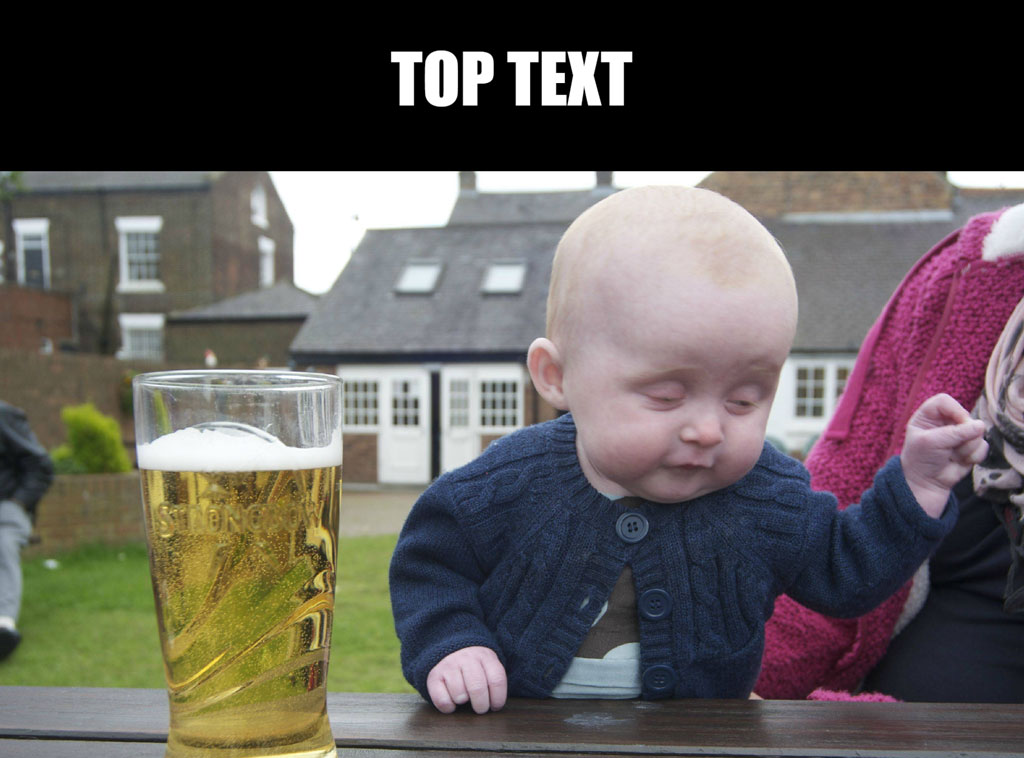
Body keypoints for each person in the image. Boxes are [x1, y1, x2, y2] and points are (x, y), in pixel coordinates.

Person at [389, 186, 988, 713]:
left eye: (744, 400)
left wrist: (918, 489)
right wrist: (452, 642)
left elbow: (847, 573)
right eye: (667, 394)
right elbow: (431, 561)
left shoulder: (766, 497)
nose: (708, 429)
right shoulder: (511, 480)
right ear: (556, 376)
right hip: (512, 756)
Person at [757, 202, 1024, 702]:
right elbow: (835, 557)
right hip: (909, 750)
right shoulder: (970, 273)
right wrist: (734, 698)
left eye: (744, 399)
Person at [0, 400, 55, 660]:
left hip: (6, 505)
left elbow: (41, 466)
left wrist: (18, 501)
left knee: (2, 541)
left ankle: (3, 625)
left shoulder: (3, 416)